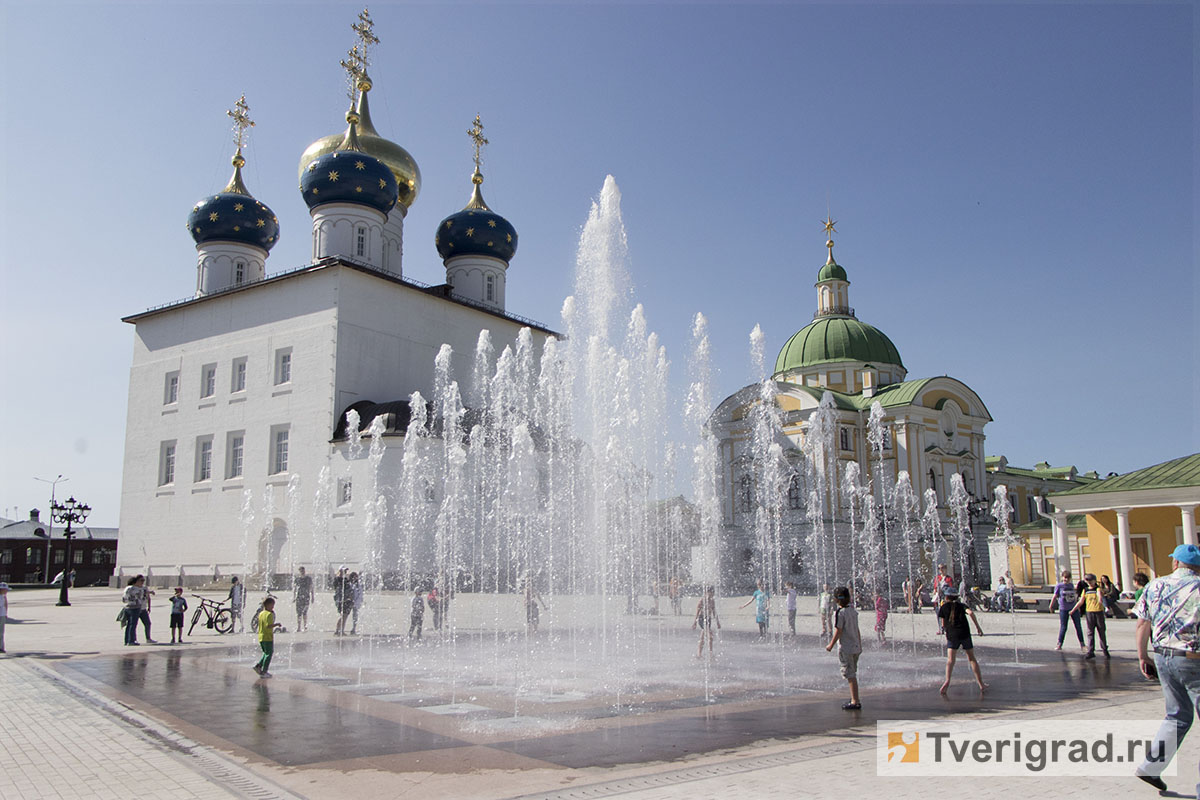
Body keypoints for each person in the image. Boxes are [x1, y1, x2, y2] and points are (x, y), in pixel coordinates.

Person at [1133, 543, 1200, 794]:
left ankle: (1151, 767)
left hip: (1163, 657)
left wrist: (1142, 656)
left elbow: (1142, 624)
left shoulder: (1155, 586)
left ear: (1175, 563)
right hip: (1193, 658)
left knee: (1177, 715)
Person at [937, 585, 987, 695]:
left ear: (946, 597)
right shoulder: (962, 605)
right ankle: (980, 683)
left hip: (952, 635)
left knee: (950, 660)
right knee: (972, 658)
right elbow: (971, 613)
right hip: (964, 633)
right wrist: (978, 628)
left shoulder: (943, 607)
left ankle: (947, 681)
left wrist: (946, 630)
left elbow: (943, 624)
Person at [825, 586, 862, 710]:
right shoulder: (853, 611)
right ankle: (854, 698)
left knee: (850, 675)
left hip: (846, 648)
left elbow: (839, 631)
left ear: (836, 600)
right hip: (856, 647)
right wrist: (860, 644)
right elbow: (857, 630)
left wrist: (831, 645)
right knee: (853, 673)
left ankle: (855, 701)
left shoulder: (839, 613)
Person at [1070, 573, 1110, 659]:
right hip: (1089, 612)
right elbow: (1081, 601)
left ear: (1095, 581)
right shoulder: (1086, 590)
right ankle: (1091, 651)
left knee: (1101, 631)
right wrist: (1073, 610)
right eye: (1087, 581)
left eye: (1091, 581)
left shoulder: (1097, 589)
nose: (1089, 583)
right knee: (1090, 632)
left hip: (1098, 612)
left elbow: (1099, 596)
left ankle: (1105, 650)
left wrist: (1100, 601)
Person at [1050, 569, 1086, 652]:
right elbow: (1055, 596)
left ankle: (1082, 644)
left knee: (1078, 626)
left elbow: (1074, 598)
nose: (1066, 579)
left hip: (1073, 608)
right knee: (1063, 627)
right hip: (1063, 609)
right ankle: (1059, 643)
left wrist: (1077, 607)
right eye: (1065, 577)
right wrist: (1051, 606)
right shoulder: (1059, 586)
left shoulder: (1071, 585)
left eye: (1068, 578)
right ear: (1062, 577)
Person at [252, 596, 282, 678]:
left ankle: (258, 666)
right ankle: (264, 671)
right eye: (272, 605)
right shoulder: (269, 614)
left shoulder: (261, 613)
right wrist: (277, 624)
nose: (273, 607)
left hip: (261, 636)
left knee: (266, 653)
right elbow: (268, 626)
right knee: (269, 653)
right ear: (268, 605)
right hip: (268, 637)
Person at [692, 586, 721, 657]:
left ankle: (699, 653)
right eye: (710, 592)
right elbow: (697, 612)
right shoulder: (702, 601)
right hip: (702, 619)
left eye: (713, 593)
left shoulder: (712, 601)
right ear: (706, 592)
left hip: (708, 619)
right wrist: (695, 623)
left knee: (702, 637)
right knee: (710, 637)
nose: (712, 594)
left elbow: (714, 612)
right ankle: (710, 654)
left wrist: (717, 622)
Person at [121, 576, 146, 646]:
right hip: (135, 608)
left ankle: (127, 640)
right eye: (141, 581)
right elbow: (141, 598)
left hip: (127, 607)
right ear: (136, 582)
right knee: (133, 624)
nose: (142, 583)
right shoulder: (136, 589)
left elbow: (123, 599)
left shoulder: (127, 588)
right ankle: (131, 640)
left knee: (129, 625)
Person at [294, 566, 314, 632]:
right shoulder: (297, 579)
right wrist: (294, 597)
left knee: (305, 612)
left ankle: (305, 626)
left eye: (303, 570)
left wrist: (312, 596)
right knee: (299, 613)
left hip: (306, 597)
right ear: (299, 571)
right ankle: (299, 627)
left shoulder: (308, 578)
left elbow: (311, 587)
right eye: (301, 571)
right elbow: (295, 588)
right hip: (299, 597)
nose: (302, 572)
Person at [332, 567, 351, 635]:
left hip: (346, 600)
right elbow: (336, 588)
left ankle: (342, 630)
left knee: (345, 616)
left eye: (346, 571)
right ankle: (337, 630)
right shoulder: (337, 579)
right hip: (340, 600)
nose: (345, 572)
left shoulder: (346, 579)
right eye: (344, 570)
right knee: (342, 615)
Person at [0, 581, 9, 653]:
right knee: (0, 633)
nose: (7, 591)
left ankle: (1, 647)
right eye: (5, 590)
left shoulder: (3, 596)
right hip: (0, 616)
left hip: (2, 615)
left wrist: (6, 614)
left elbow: (5, 605)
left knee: (1, 632)